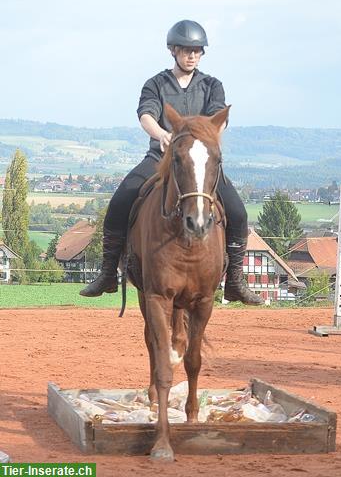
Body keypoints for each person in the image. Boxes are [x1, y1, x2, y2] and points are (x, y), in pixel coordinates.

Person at [80, 20, 263, 305]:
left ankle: (235, 280)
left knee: (238, 212)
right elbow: (146, 114)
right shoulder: (156, 84)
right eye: (186, 50)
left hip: (199, 163)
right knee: (119, 202)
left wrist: (207, 141)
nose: (192, 55)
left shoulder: (212, 86)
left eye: (197, 51)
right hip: (160, 157)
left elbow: (218, 120)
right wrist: (162, 134)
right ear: (173, 50)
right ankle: (107, 273)